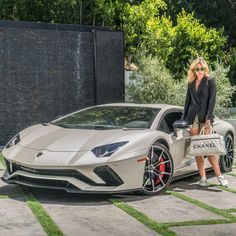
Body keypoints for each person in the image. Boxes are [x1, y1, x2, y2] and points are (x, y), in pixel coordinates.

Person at [181, 57, 229, 187]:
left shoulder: (210, 81)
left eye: (202, 68)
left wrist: (208, 119)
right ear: (194, 69)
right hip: (193, 118)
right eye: (197, 68)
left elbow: (212, 101)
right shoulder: (191, 82)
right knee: (197, 149)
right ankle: (203, 178)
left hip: (206, 117)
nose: (200, 71)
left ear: (205, 68)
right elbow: (187, 102)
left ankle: (219, 176)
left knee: (209, 148)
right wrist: (184, 119)